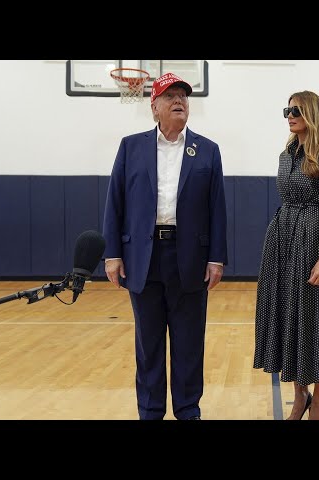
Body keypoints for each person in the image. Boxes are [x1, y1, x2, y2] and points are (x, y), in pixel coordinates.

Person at [103, 73, 228, 420]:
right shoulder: (131, 147)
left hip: (189, 259)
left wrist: (217, 258)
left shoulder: (208, 150)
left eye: (183, 97)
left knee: (189, 345)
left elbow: (217, 209)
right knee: (149, 346)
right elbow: (115, 202)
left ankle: (188, 411)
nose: (179, 101)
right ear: (154, 106)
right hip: (143, 258)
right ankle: (150, 412)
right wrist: (112, 254)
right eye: (170, 96)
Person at [253, 91, 319, 420]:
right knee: (287, 315)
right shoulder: (286, 154)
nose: (289, 115)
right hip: (283, 240)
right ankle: (300, 395)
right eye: (287, 110)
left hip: (313, 239)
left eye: (295, 110)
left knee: (316, 318)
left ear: (311, 112)